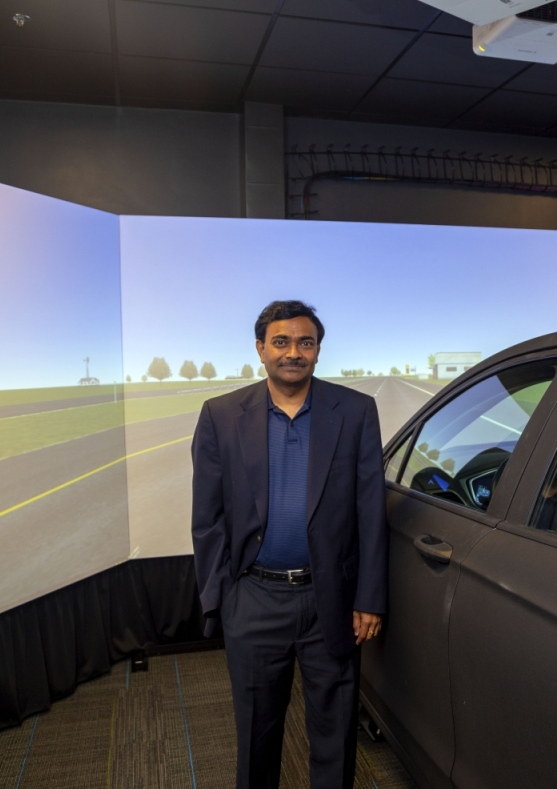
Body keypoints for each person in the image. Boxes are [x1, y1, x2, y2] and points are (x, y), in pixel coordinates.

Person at [191, 300, 388, 789]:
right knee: (257, 735)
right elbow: (207, 519)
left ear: (319, 350)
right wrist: (223, 599)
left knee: (335, 733)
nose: (293, 353)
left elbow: (370, 512)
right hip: (254, 600)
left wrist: (369, 597)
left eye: (305, 343)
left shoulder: (356, 412)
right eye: (281, 342)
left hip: (333, 602)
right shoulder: (220, 416)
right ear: (261, 349)